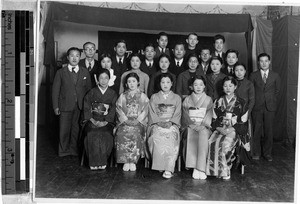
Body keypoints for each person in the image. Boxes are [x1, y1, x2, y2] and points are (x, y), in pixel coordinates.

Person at [206, 76, 249, 180]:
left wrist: (231, 129)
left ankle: (225, 171)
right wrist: (219, 128)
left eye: (230, 85)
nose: (228, 88)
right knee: (211, 142)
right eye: (225, 86)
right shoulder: (217, 101)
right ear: (222, 87)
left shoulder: (242, 102)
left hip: (235, 130)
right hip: (219, 129)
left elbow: (243, 122)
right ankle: (214, 170)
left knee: (225, 144)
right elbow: (214, 119)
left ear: (235, 87)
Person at [52, 47, 92, 157]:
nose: (74, 58)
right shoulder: (61, 72)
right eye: (72, 56)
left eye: (77, 56)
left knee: (76, 130)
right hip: (65, 106)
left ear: (80, 57)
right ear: (68, 57)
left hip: (79, 106)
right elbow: (55, 91)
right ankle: (63, 150)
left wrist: (87, 107)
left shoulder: (85, 72)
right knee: (64, 129)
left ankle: (73, 150)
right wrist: (56, 106)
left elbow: (89, 91)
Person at [148, 73, 182, 179]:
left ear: (172, 84)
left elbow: (177, 113)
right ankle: (160, 165)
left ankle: (168, 168)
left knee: (172, 135)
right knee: (156, 136)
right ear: (159, 84)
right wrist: (158, 122)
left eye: (168, 82)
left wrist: (171, 122)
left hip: (172, 123)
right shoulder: (154, 97)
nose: (165, 84)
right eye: (163, 82)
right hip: (157, 123)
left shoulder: (177, 98)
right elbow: (152, 113)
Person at [83, 69, 118, 170]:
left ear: (109, 79)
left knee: (105, 134)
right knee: (91, 133)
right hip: (92, 119)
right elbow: (86, 107)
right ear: (97, 79)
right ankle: (93, 163)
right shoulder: (92, 92)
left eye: (106, 78)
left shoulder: (112, 93)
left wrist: (106, 121)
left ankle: (102, 161)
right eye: (101, 78)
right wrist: (92, 120)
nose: (103, 80)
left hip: (107, 121)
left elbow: (114, 108)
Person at [115, 73, 149, 171]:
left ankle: (133, 161)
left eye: (134, 81)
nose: (131, 84)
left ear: (138, 82)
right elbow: (118, 109)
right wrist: (125, 120)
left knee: (135, 133)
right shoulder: (122, 96)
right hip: (125, 122)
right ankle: (126, 161)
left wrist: (138, 120)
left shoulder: (143, 96)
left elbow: (146, 110)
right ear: (126, 84)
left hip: (138, 123)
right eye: (129, 81)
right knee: (121, 133)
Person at [249, 53, 280, 161]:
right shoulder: (253, 75)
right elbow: (251, 92)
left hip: (270, 107)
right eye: (261, 61)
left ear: (269, 62)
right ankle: (256, 152)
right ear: (258, 62)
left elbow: (277, 91)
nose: (264, 63)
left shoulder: (275, 75)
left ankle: (267, 153)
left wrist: (271, 100)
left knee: (269, 131)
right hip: (257, 107)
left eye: (266, 61)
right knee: (256, 130)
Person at [181, 76, 213, 180]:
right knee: (191, 133)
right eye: (195, 84)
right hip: (189, 125)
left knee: (203, 134)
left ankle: (201, 168)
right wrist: (190, 124)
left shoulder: (208, 99)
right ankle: (194, 167)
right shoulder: (187, 99)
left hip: (204, 126)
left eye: (201, 84)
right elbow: (184, 114)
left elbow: (209, 114)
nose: (198, 87)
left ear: (204, 86)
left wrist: (203, 125)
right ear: (191, 87)